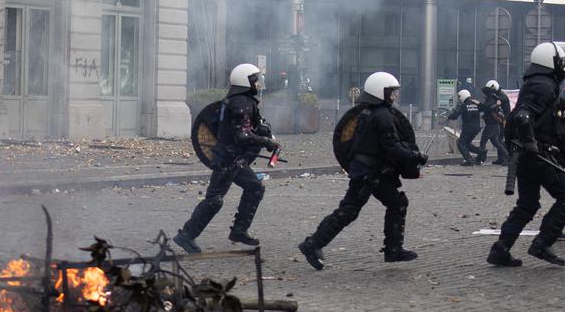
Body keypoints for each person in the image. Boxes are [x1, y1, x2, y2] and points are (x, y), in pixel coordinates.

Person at [298, 72, 426, 270]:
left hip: (372, 172)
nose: (394, 96)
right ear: (380, 92)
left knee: (397, 203)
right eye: (391, 93)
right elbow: (392, 147)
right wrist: (416, 157)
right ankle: (312, 244)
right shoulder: (382, 116)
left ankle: (394, 250)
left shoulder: (370, 112)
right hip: (368, 174)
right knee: (348, 211)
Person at [488, 42, 565, 268]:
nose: (563, 65)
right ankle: (542, 243)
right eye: (561, 61)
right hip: (537, 155)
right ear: (551, 62)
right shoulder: (543, 85)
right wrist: (531, 143)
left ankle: (500, 250)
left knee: (527, 205)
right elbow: (523, 116)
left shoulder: (536, 82)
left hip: (528, 156)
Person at [171, 62, 278, 254]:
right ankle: (186, 235)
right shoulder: (240, 103)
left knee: (254, 188)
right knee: (214, 200)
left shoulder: (241, 101)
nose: (258, 84)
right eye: (255, 80)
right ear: (246, 82)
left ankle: (239, 230)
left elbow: (248, 128)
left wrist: (262, 132)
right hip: (227, 160)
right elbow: (241, 135)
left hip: (235, 160)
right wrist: (266, 141)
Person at [447, 88, 487, 164]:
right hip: (476, 128)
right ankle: (482, 152)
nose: (459, 99)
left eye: (459, 97)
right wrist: (479, 103)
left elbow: (455, 116)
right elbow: (484, 108)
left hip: (468, 128)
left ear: (463, 96)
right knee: (467, 144)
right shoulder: (475, 104)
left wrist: (449, 116)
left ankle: (469, 160)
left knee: (461, 144)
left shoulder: (464, 105)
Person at [481, 79, 510, 164]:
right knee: (498, 141)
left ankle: (505, 159)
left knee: (500, 140)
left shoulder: (501, 96)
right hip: (500, 120)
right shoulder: (496, 95)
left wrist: (495, 97)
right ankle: (501, 158)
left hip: (504, 121)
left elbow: (503, 99)